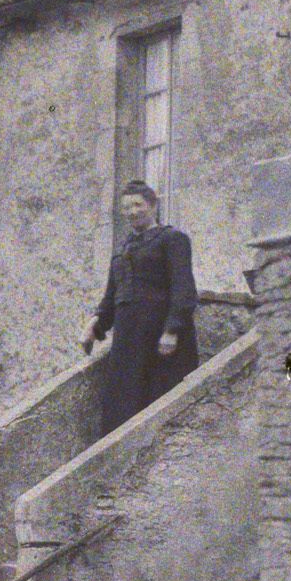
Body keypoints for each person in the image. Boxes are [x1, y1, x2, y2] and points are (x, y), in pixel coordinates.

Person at [80, 179, 200, 437]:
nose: (132, 212)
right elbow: (112, 296)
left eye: (138, 205)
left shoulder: (173, 239)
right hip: (129, 336)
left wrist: (172, 330)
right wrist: (95, 323)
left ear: (153, 205)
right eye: (126, 207)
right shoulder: (123, 249)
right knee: (123, 400)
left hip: (159, 334)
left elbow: (184, 288)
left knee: (159, 394)